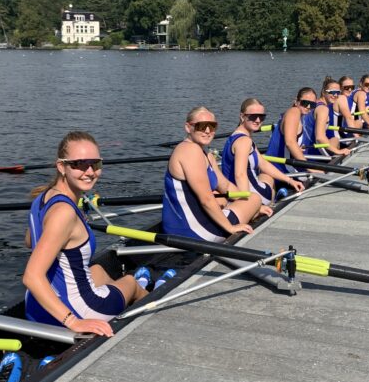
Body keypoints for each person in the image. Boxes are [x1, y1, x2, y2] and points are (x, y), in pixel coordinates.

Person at [23, 131, 147, 338]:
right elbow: (31, 276)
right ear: (61, 166)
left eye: (95, 164)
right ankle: (150, 306)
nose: (89, 171)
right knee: (131, 283)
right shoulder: (64, 212)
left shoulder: (43, 197)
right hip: (73, 312)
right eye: (79, 164)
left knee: (97, 269)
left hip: (35, 308)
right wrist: (74, 322)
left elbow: (30, 241)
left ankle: (116, 298)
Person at [162, 106, 262, 242]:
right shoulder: (190, 151)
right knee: (255, 199)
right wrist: (231, 228)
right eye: (201, 126)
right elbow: (206, 199)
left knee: (235, 199)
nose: (208, 131)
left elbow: (225, 185)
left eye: (212, 126)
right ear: (188, 127)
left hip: (185, 226)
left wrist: (247, 203)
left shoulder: (205, 153)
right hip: (194, 233)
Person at [221, 98, 303, 203]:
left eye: (261, 117)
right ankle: (275, 199)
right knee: (267, 177)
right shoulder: (244, 141)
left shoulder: (235, 136)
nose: (258, 120)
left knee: (265, 173)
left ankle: (276, 196)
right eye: (253, 116)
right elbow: (240, 175)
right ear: (242, 116)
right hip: (250, 196)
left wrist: (289, 180)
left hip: (234, 193)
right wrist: (248, 204)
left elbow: (263, 163)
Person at [267, 87, 318, 175]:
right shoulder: (294, 112)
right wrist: (310, 168)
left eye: (312, 104)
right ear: (296, 101)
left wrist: (297, 148)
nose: (309, 107)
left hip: (279, 166)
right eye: (305, 103)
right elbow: (290, 142)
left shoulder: (296, 113)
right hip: (281, 170)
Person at [311, 78, 352, 156]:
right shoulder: (323, 109)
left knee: (335, 139)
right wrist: (338, 151)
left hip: (310, 146)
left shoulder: (314, 103)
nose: (335, 95)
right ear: (323, 92)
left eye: (338, 92)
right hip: (315, 152)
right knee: (335, 140)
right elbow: (320, 137)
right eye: (332, 92)